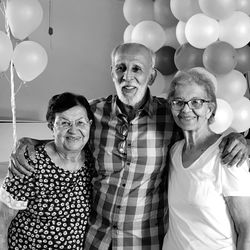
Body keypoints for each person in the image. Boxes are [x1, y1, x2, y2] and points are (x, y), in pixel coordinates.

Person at [9, 43, 248, 250]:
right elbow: (67, 137)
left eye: (137, 69)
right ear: (112, 72)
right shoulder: (92, 113)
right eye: (120, 68)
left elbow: (203, 131)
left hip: (144, 242)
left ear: (151, 76)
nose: (128, 76)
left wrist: (240, 138)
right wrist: (31, 142)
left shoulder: (171, 115)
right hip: (96, 239)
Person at [162, 68, 250, 250]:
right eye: (178, 102)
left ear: (210, 109)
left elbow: (246, 228)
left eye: (196, 102)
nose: (186, 109)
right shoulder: (174, 152)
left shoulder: (228, 155)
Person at [0, 92, 95, 249]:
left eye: (80, 123)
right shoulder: (30, 161)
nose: (73, 130)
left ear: (90, 124)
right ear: (51, 126)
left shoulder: (93, 161)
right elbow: (2, 220)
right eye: (64, 123)